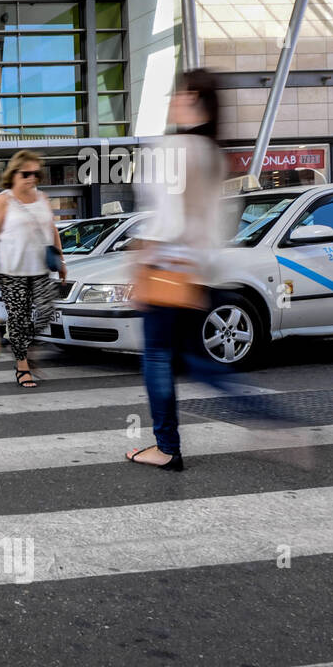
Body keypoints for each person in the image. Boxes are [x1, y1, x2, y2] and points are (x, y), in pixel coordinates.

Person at [126, 70, 233, 470]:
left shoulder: (177, 147)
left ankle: (166, 447)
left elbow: (167, 219)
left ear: (196, 100)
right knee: (195, 363)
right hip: (194, 272)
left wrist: (141, 262)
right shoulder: (211, 151)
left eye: (180, 94)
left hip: (166, 271)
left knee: (157, 359)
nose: (173, 100)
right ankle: (273, 420)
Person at [0, 150, 65, 388]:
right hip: (11, 270)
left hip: (40, 267)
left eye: (36, 174)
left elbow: (52, 230)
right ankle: (22, 366)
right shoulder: (4, 200)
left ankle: (25, 347)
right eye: (26, 173)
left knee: (48, 309)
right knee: (18, 319)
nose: (31, 178)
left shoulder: (42, 198)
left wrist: (62, 261)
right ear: (14, 173)